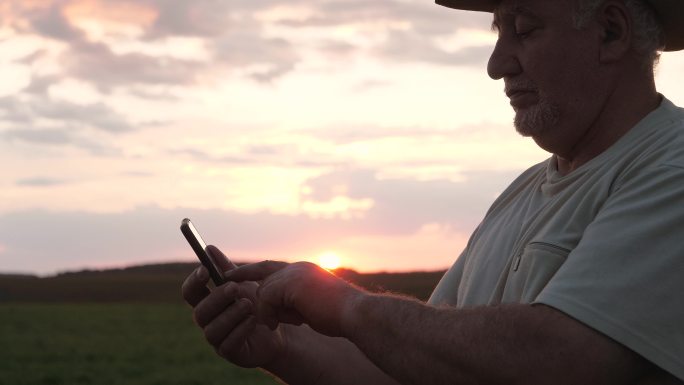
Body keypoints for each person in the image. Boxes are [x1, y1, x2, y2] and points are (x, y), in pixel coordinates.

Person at [182, 0, 684, 383]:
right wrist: (282, 347)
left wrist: (343, 303)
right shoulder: (521, 194)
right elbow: (419, 365)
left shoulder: (672, 166)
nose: (497, 63)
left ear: (610, 32)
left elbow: (563, 358)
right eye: (499, 32)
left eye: (525, 29)